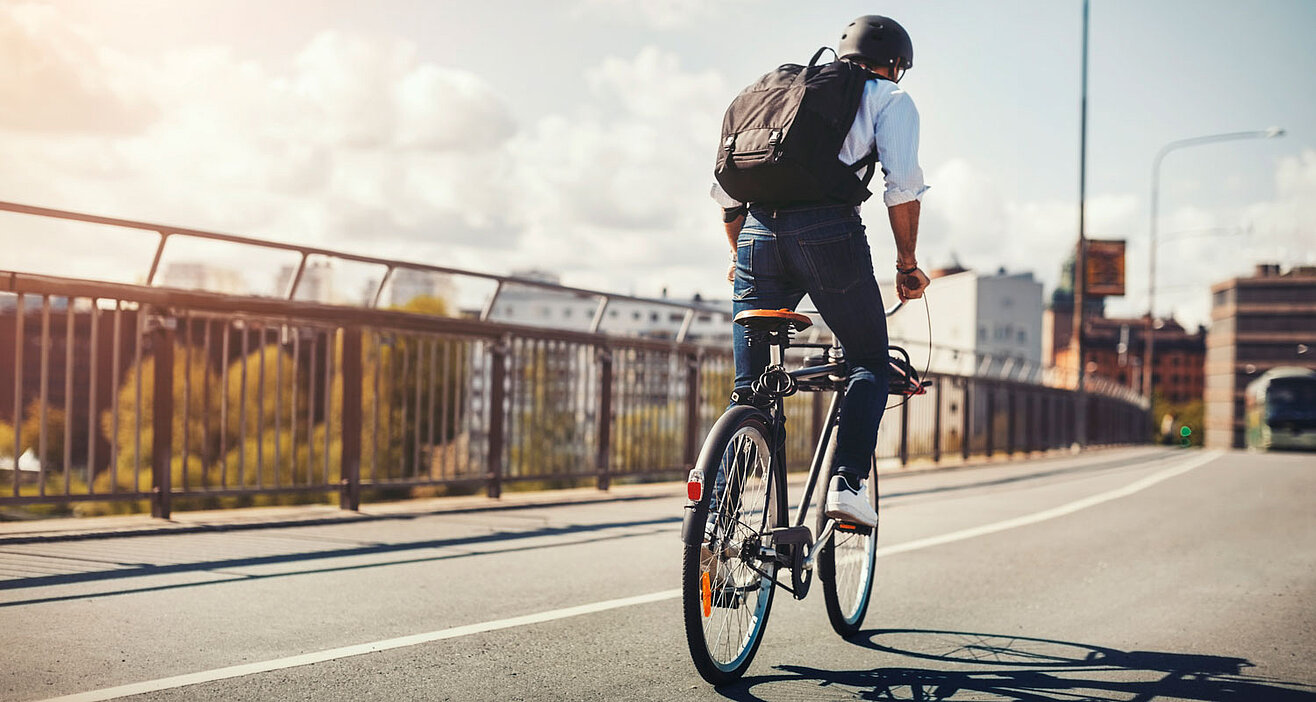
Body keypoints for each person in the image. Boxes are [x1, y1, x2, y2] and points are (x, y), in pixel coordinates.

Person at [711, 14, 930, 528]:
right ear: (896, 64)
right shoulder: (890, 99)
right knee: (869, 361)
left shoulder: (777, 94)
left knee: (751, 390)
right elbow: (902, 187)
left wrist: (737, 256)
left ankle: (717, 517)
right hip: (828, 236)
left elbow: (727, 197)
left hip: (756, 236)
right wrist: (907, 265)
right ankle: (847, 484)